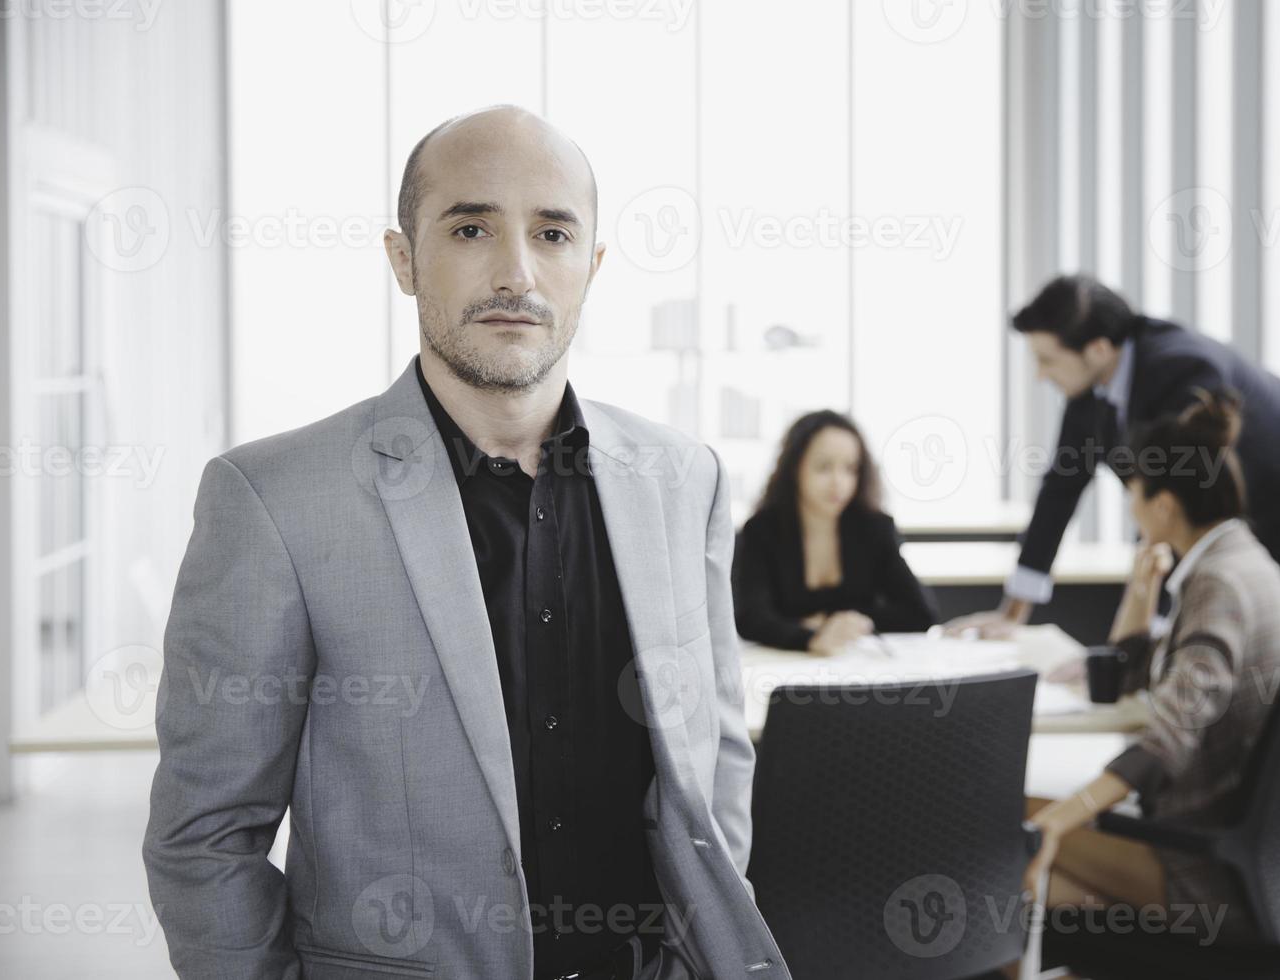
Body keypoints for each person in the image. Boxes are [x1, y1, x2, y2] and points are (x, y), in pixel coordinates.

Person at [143, 106, 785, 980]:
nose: (516, 272)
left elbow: (715, 759)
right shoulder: (273, 500)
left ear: (591, 267)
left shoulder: (685, 479)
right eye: (471, 227)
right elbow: (206, 835)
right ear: (404, 260)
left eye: (552, 233)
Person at [951, 274, 1280, 977]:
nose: (1040, 373)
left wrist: (1154, 615)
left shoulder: (1182, 371)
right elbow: (1063, 487)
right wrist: (1015, 610)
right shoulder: (1099, 396)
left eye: (1047, 358)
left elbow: (1186, 516)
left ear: (1097, 348)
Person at [1023, 392, 1280, 961]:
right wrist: (1142, 584)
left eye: (1132, 494)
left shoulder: (1218, 585)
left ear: (1164, 505)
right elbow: (1136, 672)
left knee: (1013, 820)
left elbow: (1167, 737)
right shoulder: (1245, 560)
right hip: (1250, 853)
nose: (1130, 508)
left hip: (1204, 866)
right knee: (1040, 889)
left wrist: (1057, 820)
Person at [732, 410, 938, 653]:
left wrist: (848, 622)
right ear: (794, 468)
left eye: (850, 469)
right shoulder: (762, 530)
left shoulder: (874, 528)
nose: (838, 482)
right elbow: (750, 618)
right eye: (823, 467)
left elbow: (921, 613)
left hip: (854, 667)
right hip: (783, 667)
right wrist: (809, 639)